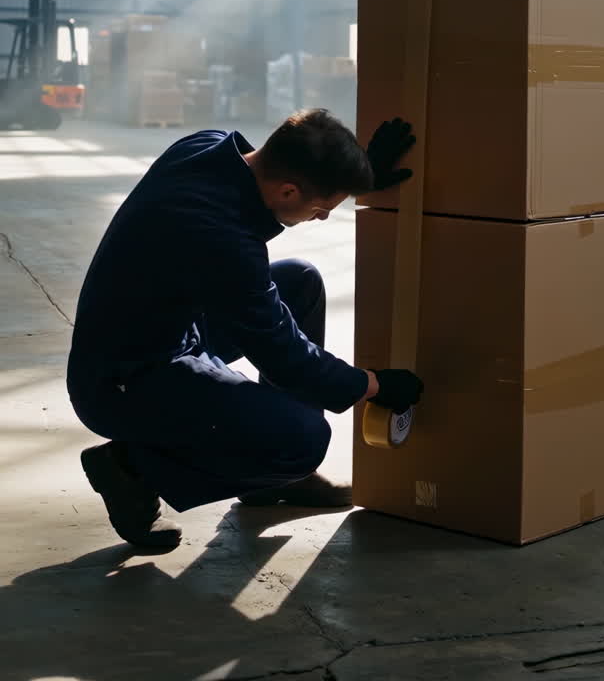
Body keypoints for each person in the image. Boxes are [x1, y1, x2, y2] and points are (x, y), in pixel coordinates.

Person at [67, 110, 424, 550]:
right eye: (321, 209)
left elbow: (273, 182)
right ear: (289, 190)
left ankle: (267, 484)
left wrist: (354, 177)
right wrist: (372, 385)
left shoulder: (207, 145)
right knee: (303, 441)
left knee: (300, 281)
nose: (323, 218)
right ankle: (131, 467)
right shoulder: (221, 238)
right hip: (124, 382)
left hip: (162, 330)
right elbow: (285, 355)